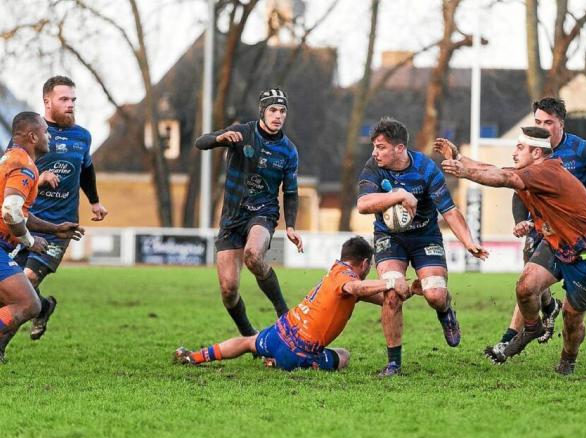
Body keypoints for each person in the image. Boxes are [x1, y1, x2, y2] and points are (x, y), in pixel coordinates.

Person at [440, 126, 586, 375]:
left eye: (520, 148)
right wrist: (459, 158)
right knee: (525, 287)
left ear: (537, 152)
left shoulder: (547, 172)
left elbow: (504, 178)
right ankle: (532, 327)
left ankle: (567, 360)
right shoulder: (534, 171)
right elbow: (495, 170)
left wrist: (464, 173)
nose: (514, 153)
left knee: (572, 320)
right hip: (556, 245)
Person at [477, 97, 586, 362]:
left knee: (567, 314)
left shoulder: (580, 149)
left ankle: (527, 338)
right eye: (538, 121)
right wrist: (520, 221)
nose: (543, 127)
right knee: (527, 283)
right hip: (544, 230)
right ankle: (541, 314)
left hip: (574, 233)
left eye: (549, 122)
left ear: (561, 123)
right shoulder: (531, 150)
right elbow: (518, 188)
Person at [356, 117, 488, 377]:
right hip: (389, 238)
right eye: (374, 147)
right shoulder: (373, 167)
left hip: (425, 237)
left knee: (435, 295)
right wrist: (399, 195)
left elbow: (449, 211)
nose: (375, 152)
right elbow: (363, 204)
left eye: (381, 147)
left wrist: (468, 241)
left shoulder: (426, 169)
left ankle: (446, 310)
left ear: (399, 149)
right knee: (392, 292)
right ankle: (393, 362)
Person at [174, 236, 414, 371]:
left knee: (249, 342)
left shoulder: (334, 271)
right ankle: (281, 363)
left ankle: (196, 356)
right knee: (344, 355)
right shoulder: (347, 279)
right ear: (364, 263)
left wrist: (410, 289)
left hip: (281, 331)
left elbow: (378, 297)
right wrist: (390, 282)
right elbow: (356, 287)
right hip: (299, 350)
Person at [0, 76, 106, 358]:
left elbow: (87, 170)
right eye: (64, 99)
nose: (70, 105)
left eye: (73, 100)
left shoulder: (82, 136)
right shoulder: (24, 144)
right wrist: (36, 177)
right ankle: (42, 307)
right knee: (18, 295)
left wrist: (94, 202)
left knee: (27, 280)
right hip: (22, 224)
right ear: (47, 101)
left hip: (53, 227)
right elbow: (12, 197)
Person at [194, 88, 304, 338]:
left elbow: (291, 192)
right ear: (263, 112)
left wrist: (291, 225)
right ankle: (248, 335)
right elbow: (200, 142)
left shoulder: (289, 151)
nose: (278, 116)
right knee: (228, 290)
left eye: (282, 111)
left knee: (253, 255)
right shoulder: (242, 132)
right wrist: (220, 139)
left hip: (263, 213)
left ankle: (283, 314)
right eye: (273, 110)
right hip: (232, 218)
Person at [0, 112, 84, 362]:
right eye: (46, 132)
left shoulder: (13, 159)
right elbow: (11, 212)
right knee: (29, 304)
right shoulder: (23, 166)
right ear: (33, 136)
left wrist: (54, 229)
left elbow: (21, 213)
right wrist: (30, 241)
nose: (50, 137)